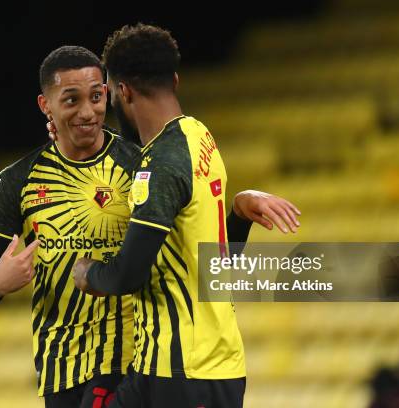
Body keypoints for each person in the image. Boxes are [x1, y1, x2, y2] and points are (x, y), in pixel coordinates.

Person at [0, 44, 298, 408]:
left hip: (131, 360)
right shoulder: (18, 181)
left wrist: (236, 215)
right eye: (71, 100)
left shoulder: (143, 165)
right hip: (60, 368)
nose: (88, 111)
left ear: (111, 94)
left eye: (96, 96)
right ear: (46, 106)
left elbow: (202, 258)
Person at [71, 24, 300, 408]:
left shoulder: (161, 164)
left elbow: (128, 274)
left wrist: (86, 273)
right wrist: (238, 214)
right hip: (169, 366)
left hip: (188, 372)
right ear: (174, 80)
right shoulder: (198, 136)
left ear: (122, 91)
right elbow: (214, 265)